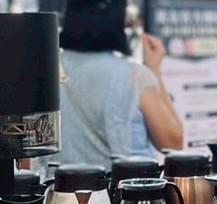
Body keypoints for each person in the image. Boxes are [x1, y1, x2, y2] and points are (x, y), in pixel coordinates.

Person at [52, 0, 183, 169]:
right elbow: (173, 143)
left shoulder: (46, 71)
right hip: (128, 183)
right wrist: (154, 72)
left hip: (60, 183)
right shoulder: (134, 76)